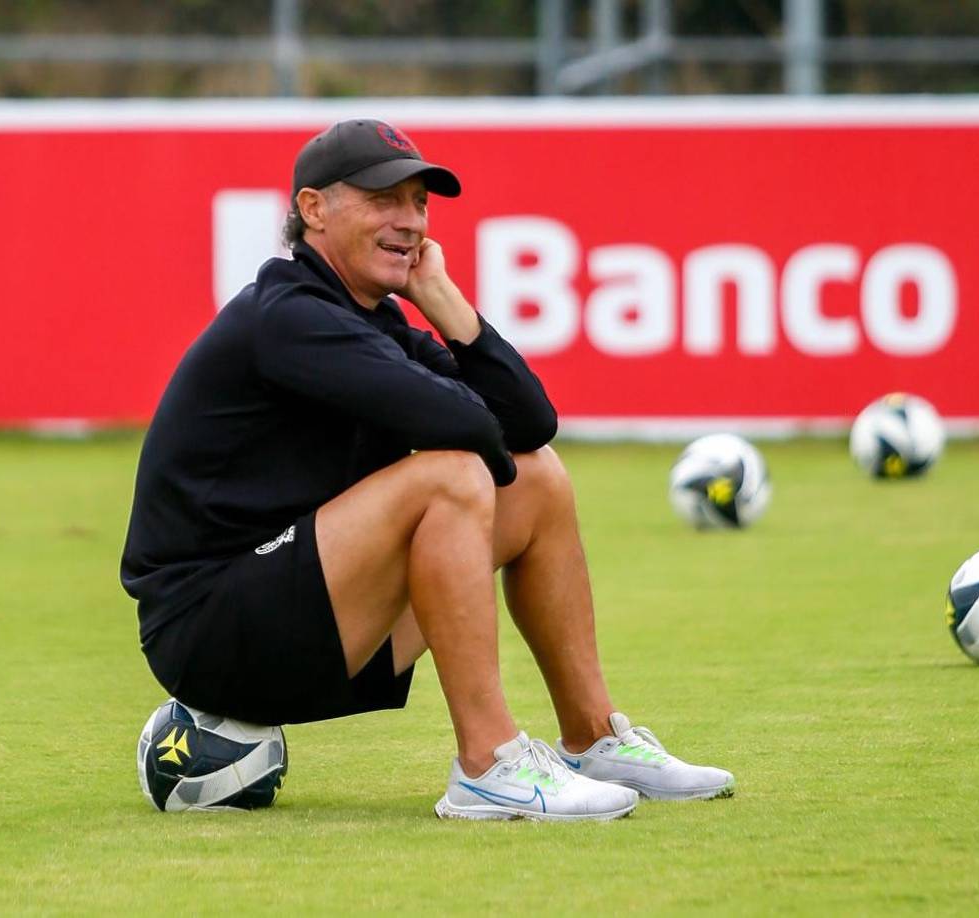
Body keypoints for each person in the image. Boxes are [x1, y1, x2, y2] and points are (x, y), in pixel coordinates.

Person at [121, 118, 733, 821]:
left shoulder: (373, 320)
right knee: (452, 475)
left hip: (302, 613)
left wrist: (444, 303)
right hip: (209, 633)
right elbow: (470, 429)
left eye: (419, 204)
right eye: (384, 200)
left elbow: (529, 426)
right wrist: (460, 413)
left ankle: (591, 737)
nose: (409, 221)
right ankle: (487, 764)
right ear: (313, 209)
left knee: (535, 478)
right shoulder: (287, 316)